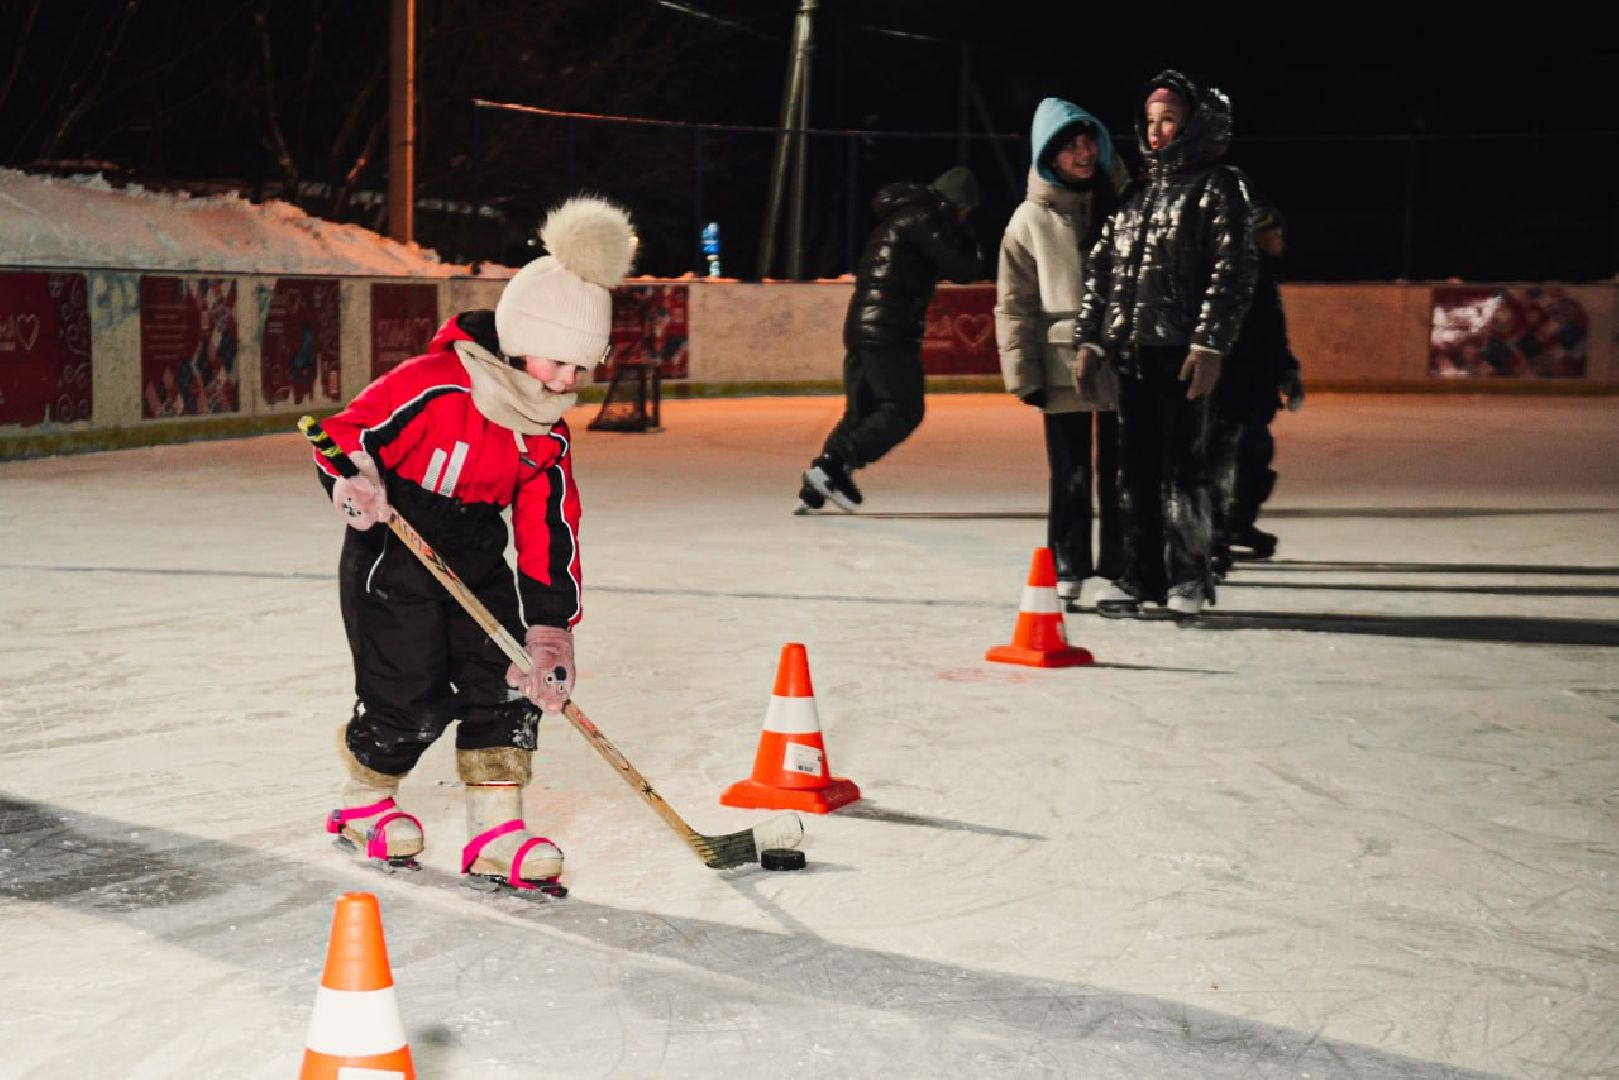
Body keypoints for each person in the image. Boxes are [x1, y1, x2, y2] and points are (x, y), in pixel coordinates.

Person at [311, 196, 636, 892]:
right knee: (409, 693)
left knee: (508, 678)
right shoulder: (435, 385)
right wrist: (357, 482)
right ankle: (364, 802)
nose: (567, 382)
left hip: (476, 553)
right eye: (558, 361)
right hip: (394, 549)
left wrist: (550, 627)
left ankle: (498, 830)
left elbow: (550, 526)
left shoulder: (544, 433)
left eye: (582, 368)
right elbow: (346, 437)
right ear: (521, 336)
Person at [1074, 69, 1258, 619]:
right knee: (1136, 472)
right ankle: (1138, 577)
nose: (1156, 132)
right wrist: (1091, 339)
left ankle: (1188, 578)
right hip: (1132, 351)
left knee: (1185, 470)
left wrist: (1209, 346)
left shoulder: (1220, 186)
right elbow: (1101, 271)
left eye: (1169, 120)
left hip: (1182, 356)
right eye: (1150, 122)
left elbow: (1234, 273)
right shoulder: (1136, 193)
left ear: (1194, 124)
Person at [995, 97, 1130, 609]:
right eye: (1070, 146)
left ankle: (1120, 564)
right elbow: (1015, 302)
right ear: (1048, 154)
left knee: (1122, 469)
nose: (1083, 153)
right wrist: (1023, 372)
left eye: (1088, 141)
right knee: (1070, 470)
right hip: (1061, 361)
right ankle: (1070, 564)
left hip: (1119, 355)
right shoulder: (1029, 219)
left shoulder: (1123, 204)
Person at [795, 165, 984, 513]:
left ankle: (816, 487)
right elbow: (964, 270)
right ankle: (831, 468)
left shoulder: (900, 216)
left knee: (862, 412)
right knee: (904, 410)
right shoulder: (924, 218)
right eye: (966, 210)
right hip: (889, 329)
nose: (966, 216)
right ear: (955, 204)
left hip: (862, 325)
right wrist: (968, 234)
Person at [1212, 203, 1304, 567]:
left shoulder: (1264, 276)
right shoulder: (1238, 276)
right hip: (1232, 388)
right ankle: (1218, 529)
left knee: (1255, 454)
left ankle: (1236, 522)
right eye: (1273, 234)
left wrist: (1287, 371)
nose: (1279, 240)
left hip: (1255, 387)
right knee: (1234, 457)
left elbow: (1273, 335)